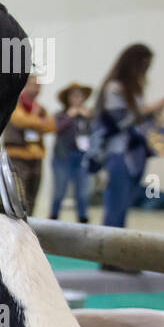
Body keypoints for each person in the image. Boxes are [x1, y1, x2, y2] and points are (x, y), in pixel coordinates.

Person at [93, 43, 164, 234]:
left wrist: (152, 112)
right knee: (114, 209)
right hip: (119, 154)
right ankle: (109, 258)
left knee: (122, 210)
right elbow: (117, 121)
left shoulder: (132, 91)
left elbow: (136, 120)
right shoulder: (114, 88)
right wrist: (148, 109)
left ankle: (117, 258)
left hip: (134, 155)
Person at [1, 74, 55, 215]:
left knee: (32, 196)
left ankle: (30, 225)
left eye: (39, 85)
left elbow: (51, 126)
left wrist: (36, 121)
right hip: (17, 157)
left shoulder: (40, 108)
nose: (37, 88)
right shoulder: (15, 105)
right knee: (19, 196)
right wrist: (39, 122)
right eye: (33, 84)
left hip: (36, 157)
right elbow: (20, 120)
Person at [49, 81, 94, 223]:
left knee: (83, 192)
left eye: (80, 96)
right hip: (63, 157)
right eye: (74, 96)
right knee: (59, 191)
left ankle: (82, 218)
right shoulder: (60, 115)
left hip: (82, 157)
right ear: (68, 98)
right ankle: (54, 217)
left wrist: (90, 118)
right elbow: (55, 128)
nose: (78, 99)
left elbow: (95, 133)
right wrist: (69, 116)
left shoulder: (88, 116)